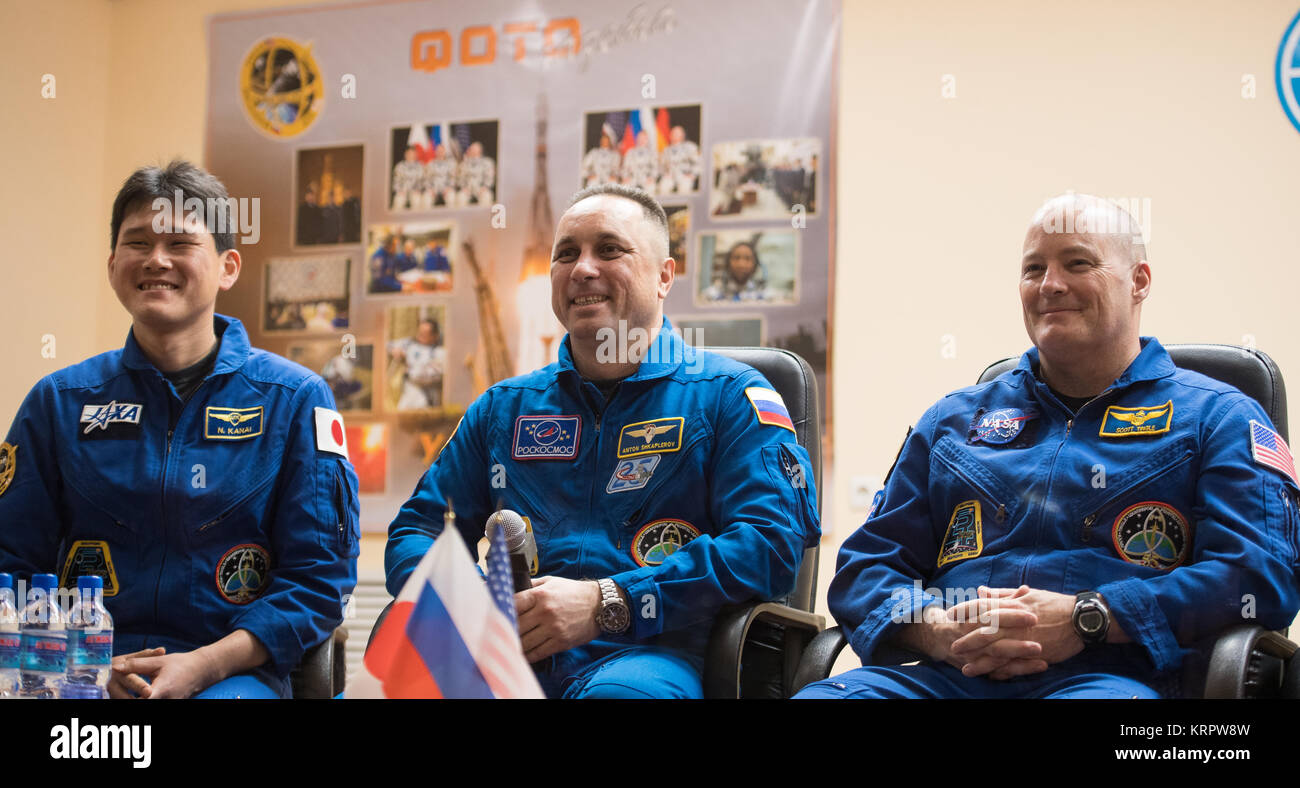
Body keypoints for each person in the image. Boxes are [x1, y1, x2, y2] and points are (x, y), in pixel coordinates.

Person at [796, 194, 1300, 699]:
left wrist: (1091, 616)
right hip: (947, 677)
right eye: (1033, 269)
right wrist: (935, 629)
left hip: (1114, 679)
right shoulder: (952, 421)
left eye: (1077, 263)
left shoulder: (1218, 417)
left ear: (1139, 281)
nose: (1050, 285)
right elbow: (866, 566)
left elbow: (1258, 575)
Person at [384, 183, 820, 698]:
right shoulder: (503, 409)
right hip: (501, 655)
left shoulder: (730, 396)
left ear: (664, 276)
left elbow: (768, 545)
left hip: (650, 654)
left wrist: (609, 602)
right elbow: (417, 531)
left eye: (609, 249)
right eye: (565, 254)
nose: (582, 268)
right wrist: (475, 603)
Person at [0, 160, 359, 698]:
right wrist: (89, 665)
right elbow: (11, 563)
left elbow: (318, 580)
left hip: (230, 674)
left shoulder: (296, 400)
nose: (156, 260)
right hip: (77, 670)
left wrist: (206, 666)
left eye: (180, 244)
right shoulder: (58, 402)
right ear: (113, 262)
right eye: (137, 242)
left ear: (227, 266)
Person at [388, 318, 445, 410]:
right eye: (420, 331)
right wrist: (395, 351)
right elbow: (387, 345)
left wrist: (409, 367)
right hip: (407, 396)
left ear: (435, 336)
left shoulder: (440, 353)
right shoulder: (410, 344)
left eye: (425, 333)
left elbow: (430, 375)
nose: (420, 335)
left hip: (426, 400)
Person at [704, 241, 772, 302]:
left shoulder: (767, 296)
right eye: (736, 258)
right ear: (728, 263)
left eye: (747, 259)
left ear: (755, 264)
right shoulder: (711, 295)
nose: (741, 264)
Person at [658, 126, 700, 195]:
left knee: (684, 188)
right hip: (671, 176)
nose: (674, 135)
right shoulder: (666, 150)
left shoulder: (690, 147)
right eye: (673, 133)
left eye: (677, 133)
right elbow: (661, 166)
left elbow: (698, 163)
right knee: (663, 187)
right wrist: (665, 174)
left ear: (682, 135)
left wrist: (693, 174)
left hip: (684, 175)